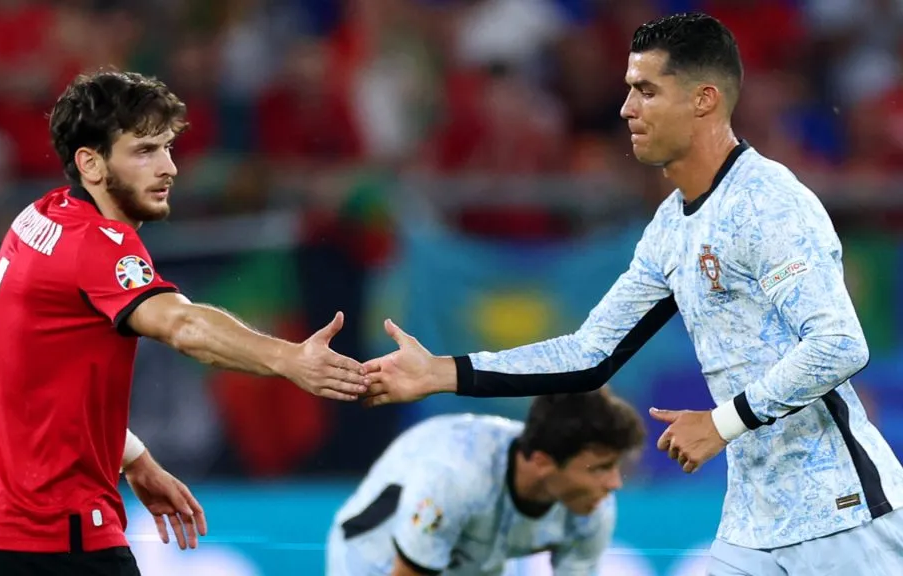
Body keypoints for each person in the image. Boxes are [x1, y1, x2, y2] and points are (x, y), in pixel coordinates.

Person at [360, 12, 903, 576]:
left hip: (845, 515)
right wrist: (441, 372)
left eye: (646, 91)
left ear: (704, 100)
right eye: (628, 90)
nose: (625, 109)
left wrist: (722, 423)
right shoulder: (671, 227)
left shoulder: (769, 202)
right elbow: (589, 353)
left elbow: (839, 344)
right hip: (752, 525)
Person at [0, 70, 369, 576]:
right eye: (144, 151)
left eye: (168, 148)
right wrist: (290, 358)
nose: (169, 167)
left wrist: (133, 458)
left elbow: (43, 385)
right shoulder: (96, 244)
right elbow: (181, 325)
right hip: (60, 538)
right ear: (90, 163)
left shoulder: (39, 218)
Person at [327, 390, 644, 575]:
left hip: (470, 561)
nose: (614, 483)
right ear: (542, 462)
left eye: (616, 466)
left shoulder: (592, 508)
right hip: (374, 557)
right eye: (599, 468)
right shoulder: (456, 476)